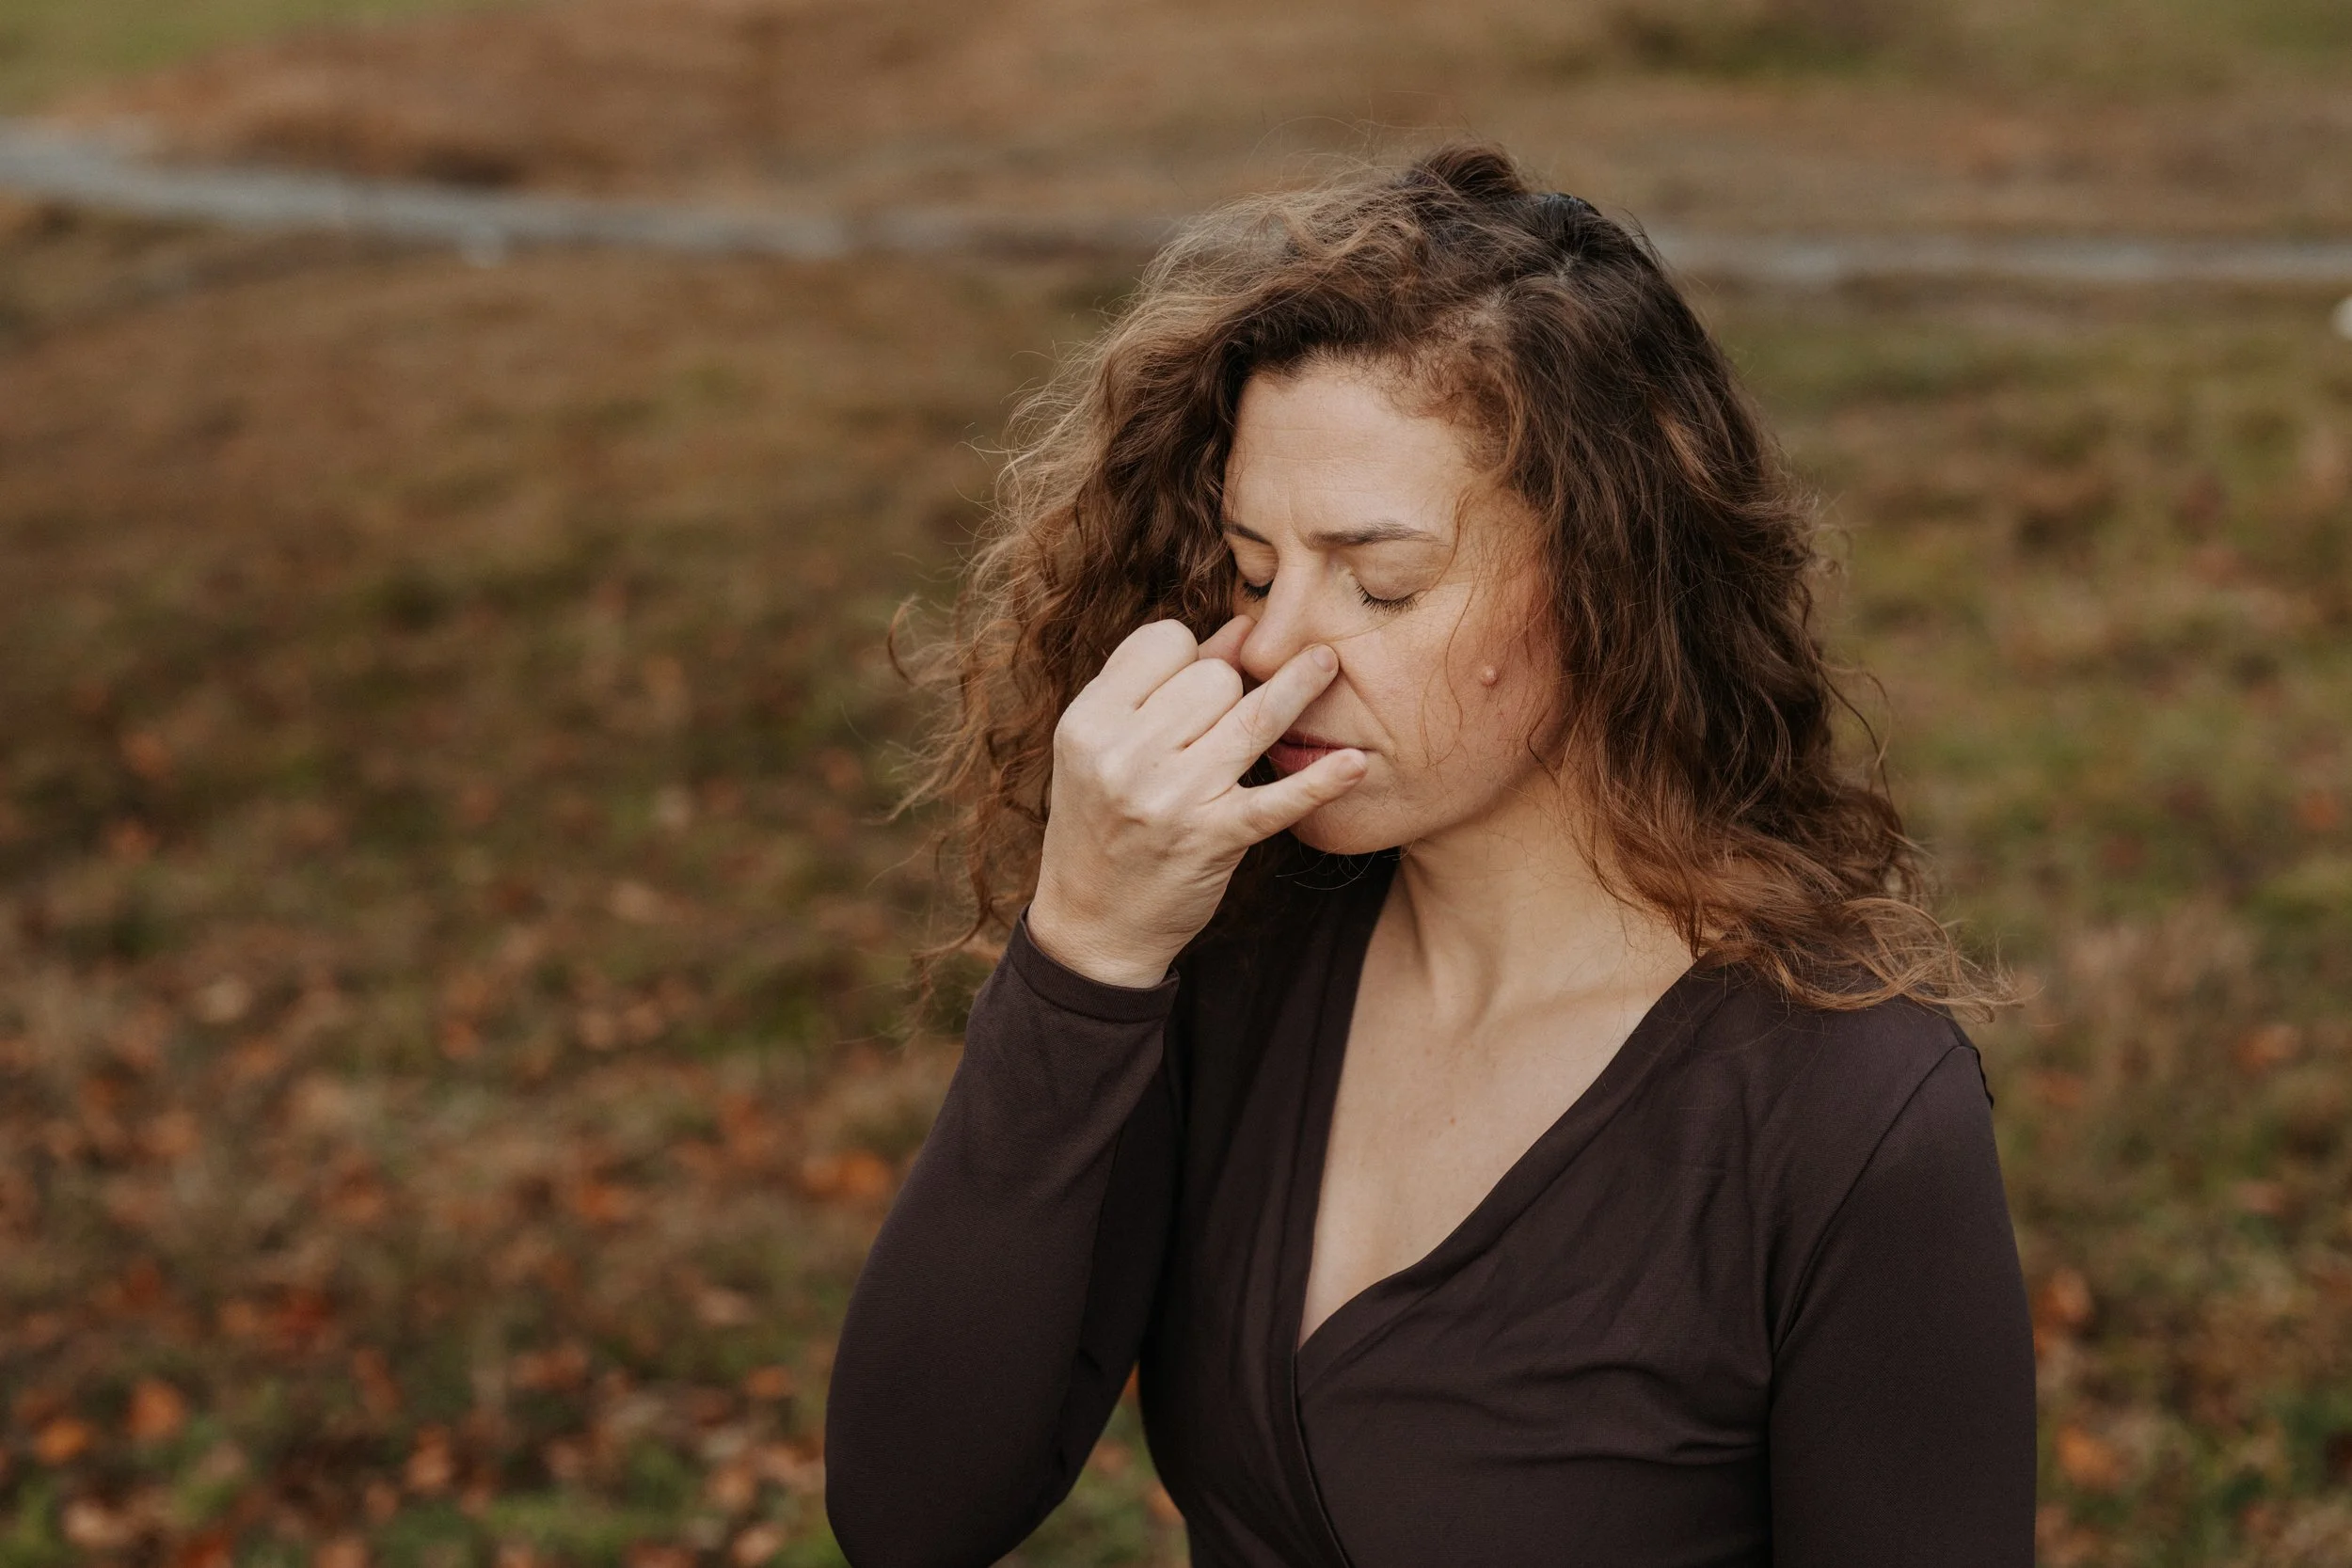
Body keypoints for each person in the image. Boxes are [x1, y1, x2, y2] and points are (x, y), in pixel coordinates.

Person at [824, 143, 2036, 1566]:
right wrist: (1085, 953)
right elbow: (910, 1511)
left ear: (1607, 578)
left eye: (1381, 583)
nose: (1271, 648)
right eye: (1255, 568)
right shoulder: (1240, 948)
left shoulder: (1845, 1110)